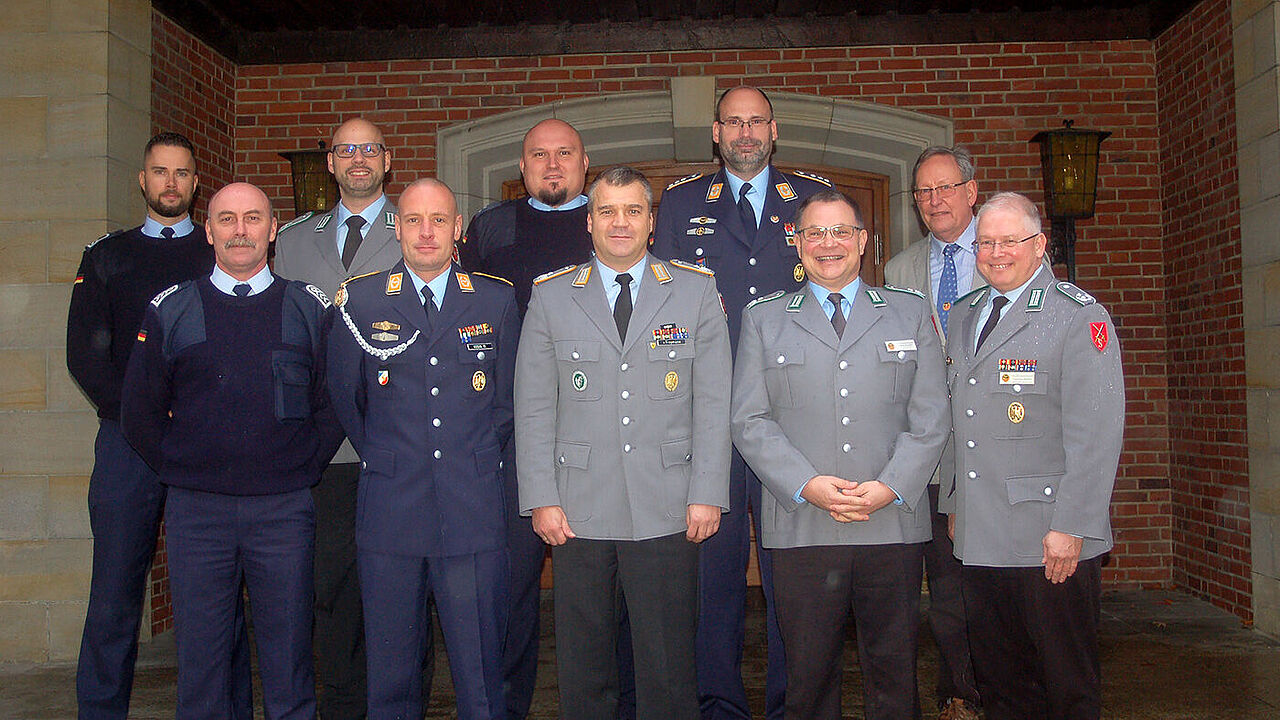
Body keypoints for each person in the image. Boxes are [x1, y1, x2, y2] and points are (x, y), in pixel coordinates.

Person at [515, 166, 732, 719]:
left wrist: (708, 491)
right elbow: (534, 407)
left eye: (633, 210)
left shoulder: (695, 291)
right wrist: (541, 498)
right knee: (585, 671)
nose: (620, 222)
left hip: (668, 504)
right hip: (578, 509)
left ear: (651, 222)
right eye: (607, 211)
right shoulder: (551, 296)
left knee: (668, 669)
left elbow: (713, 402)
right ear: (588, 221)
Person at [120, 182, 343, 719]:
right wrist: (183, 468)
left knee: (290, 661)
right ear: (209, 231)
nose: (240, 230)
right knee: (202, 668)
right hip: (198, 514)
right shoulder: (172, 310)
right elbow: (138, 412)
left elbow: (334, 402)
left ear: (273, 229)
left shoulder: (309, 308)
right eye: (226, 219)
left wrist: (301, 465)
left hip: (283, 511)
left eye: (252, 218)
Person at [730, 189, 949, 719]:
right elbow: (748, 420)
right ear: (797, 242)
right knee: (807, 680)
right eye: (815, 233)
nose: (828, 244)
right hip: (803, 523)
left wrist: (889, 487)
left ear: (862, 240)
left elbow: (932, 416)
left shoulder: (908, 312)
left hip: (890, 522)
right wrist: (807, 485)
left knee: (894, 676)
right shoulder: (764, 319)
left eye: (840, 232)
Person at [651, 85, 831, 720]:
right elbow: (664, 309)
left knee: (793, 578)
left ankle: (792, 705)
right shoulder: (679, 205)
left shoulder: (812, 199)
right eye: (734, 122)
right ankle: (718, 704)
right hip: (709, 420)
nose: (746, 133)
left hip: (791, 420)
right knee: (713, 577)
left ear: (774, 130)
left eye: (756, 122)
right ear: (716, 132)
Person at [67, 132, 251, 720]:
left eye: (182, 173)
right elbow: (85, 357)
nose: (171, 183)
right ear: (142, 180)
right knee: (114, 594)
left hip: (204, 443)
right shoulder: (107, 256)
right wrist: (143, 419)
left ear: (196, 184)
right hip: (128, 445)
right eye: (160, 172)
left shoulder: (219, 251)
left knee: (220, 598)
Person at [326, 178, 517, 720]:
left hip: (471, 508)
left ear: (457, 228)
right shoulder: (360, 300)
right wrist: (387, 454)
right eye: (413, 220)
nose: (426, 231)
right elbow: (345, 395)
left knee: (481, 675)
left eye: (438, 220)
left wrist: (471, 454)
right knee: (392, 676)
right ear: (397, 228)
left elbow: (507, 402)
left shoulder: (496, 299)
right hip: (391, 508)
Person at [942, 192, 1124, 720]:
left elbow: (1096, 432)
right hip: (981, 532)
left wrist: (1073, 525)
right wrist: (954, 503)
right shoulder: (965, 314)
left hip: (1049, 536)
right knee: (1000, 683)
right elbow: (959, 417)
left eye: (1010, 241)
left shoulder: (1076, 316)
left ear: (1039, 245)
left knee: (1064, 684)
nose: (996, 253)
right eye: (985, 243)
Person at [457, 118, 612, 720]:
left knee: (604, 591)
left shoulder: (609, 222)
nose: (552, 164)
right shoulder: (492, 228)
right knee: (511, 589)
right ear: (521, 168)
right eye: (539, 155)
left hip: (601, 434)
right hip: (513, 437)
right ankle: (505, 706)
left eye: (564, 153)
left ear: (585, 162)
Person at [273, 117, 417, 720]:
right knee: (330, 586)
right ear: (330, 162)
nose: (359, 158)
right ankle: (341, 704)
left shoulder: (415, 226)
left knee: (401, 589)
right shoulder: (292, 241)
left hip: (395, 439)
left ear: (387, 160)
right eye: (346, 149)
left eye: (370, 149)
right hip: (323, 447)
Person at [883, 145, 983, 720]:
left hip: (990, 450)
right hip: (928, 456)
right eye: (923, 191)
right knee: (945, 585)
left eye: (946, 188)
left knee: (990, 584)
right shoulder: (898, 271)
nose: (934, 200)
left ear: (971, 191)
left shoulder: (1002, 254)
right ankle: (958, 691)